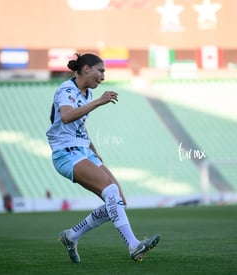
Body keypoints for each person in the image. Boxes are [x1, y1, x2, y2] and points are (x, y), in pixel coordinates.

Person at [46, 53, 160, 263]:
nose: (103, 77)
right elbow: (67, 116)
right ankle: (134, 245)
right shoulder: (67, 90)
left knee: (118, 201)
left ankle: (72, 236)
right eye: (101, 71)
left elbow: (79, 125)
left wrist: (93, 150)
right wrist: (100, 101)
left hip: (83, 150)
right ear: (86, 69)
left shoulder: (86, 93)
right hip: (66, 152)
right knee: (110, 192)